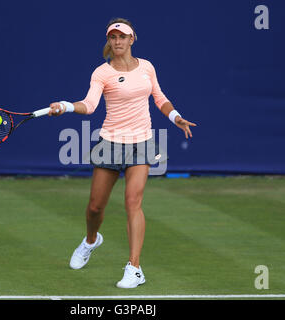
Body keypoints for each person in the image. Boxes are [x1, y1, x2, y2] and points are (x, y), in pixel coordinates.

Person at [48, 18, 197, 288]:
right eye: (113, 37)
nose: (117, 41)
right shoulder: (101, 73)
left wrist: (175, 117)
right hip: (110, 142)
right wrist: (67, 106)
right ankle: (92, 240)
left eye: (122, 36)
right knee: (95, 207)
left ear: (132, 39)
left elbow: (159, 97)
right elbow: (90, 104)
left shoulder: (147, 67)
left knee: (133, 203)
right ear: (110, 41)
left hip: (141, 142)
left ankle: (134, 267)